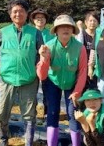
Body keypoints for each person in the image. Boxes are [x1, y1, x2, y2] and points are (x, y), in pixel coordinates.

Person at [0, 0, 43, 146]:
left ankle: (28, 142)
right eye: (15, 11)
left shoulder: (35, 33)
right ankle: (3, 140)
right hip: (7, 78)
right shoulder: (3, 32)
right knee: (1, 114)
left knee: (30, 115)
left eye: (21, 11)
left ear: (26, 13)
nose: (18, 14)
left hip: (29, 79)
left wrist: (39, 65)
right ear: (10, 14)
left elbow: (41, 53)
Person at [37, 14, 87, 146]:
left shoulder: (79, 47)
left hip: (72, 83)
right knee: (53, 111)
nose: (66, 29)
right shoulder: (49, 46)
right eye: (62, 27)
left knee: (73, 113)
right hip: (53, 82)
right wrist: (44, 59)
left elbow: (82, 71)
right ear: (56, 30)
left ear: (73, 30)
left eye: (69, 27)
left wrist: (77, 91)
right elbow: (42, 76)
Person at [29, 8, 54, 123]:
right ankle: (31, 114)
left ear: (46, 20)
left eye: (42, 18)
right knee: (31, 92)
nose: (40, 20)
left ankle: (46, 115)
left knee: (47, 92)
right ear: (33, 20)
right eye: (37, 18)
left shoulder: (51, 34)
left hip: (47, 68)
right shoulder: (29, 32)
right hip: (32, 67)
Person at [76, 11, 100, 89]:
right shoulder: (81, 34)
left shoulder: (99, 35)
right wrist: (79, 27)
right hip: (83, 67)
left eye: (95, 21)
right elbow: (79, 46)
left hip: (96, 67)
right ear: (85, 22)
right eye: (90, 20)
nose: (92, 23)